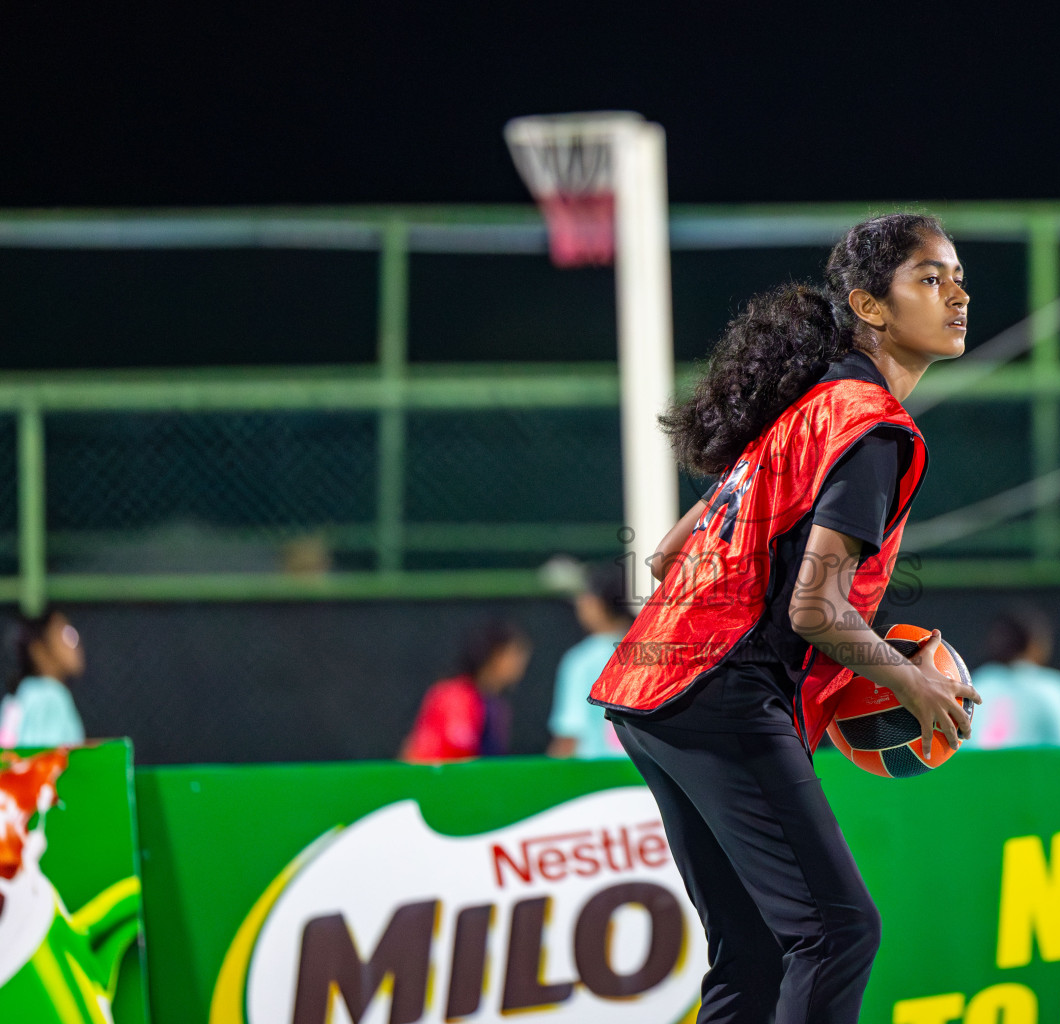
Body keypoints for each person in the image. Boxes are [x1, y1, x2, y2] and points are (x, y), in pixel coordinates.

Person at [588, 213, 980, 1023]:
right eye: (930, 279)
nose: (958, 296)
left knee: (757, 953)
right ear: (870, 308)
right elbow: (815, 609)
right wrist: (912, 683)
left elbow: (667, 554)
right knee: (837, 932)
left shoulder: (806, 405)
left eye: (958, 278)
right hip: (716, 690)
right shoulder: (870, 426)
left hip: (648, 686)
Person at [400, 620, 530, 763]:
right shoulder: (455, 697)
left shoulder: (498, 707)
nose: (521, 664)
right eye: (515, 654)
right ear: (495, 655)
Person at [966, 604, 1060, 748]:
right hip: (1039, 771)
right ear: (1034, 643)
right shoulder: (1052, 687)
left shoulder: (977, 683)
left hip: (979, 770)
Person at [547, 562, 633, 759]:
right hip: (645, 776)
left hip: (596, 778)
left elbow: (569, 736)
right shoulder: (654, 654)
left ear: (597, 602)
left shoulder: (581, 661)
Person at [0, 607, 87, 749]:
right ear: (38, 650)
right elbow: (41, 761)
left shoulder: (25, 693)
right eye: (67, 634)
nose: (76, 642)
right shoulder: (50, 696)